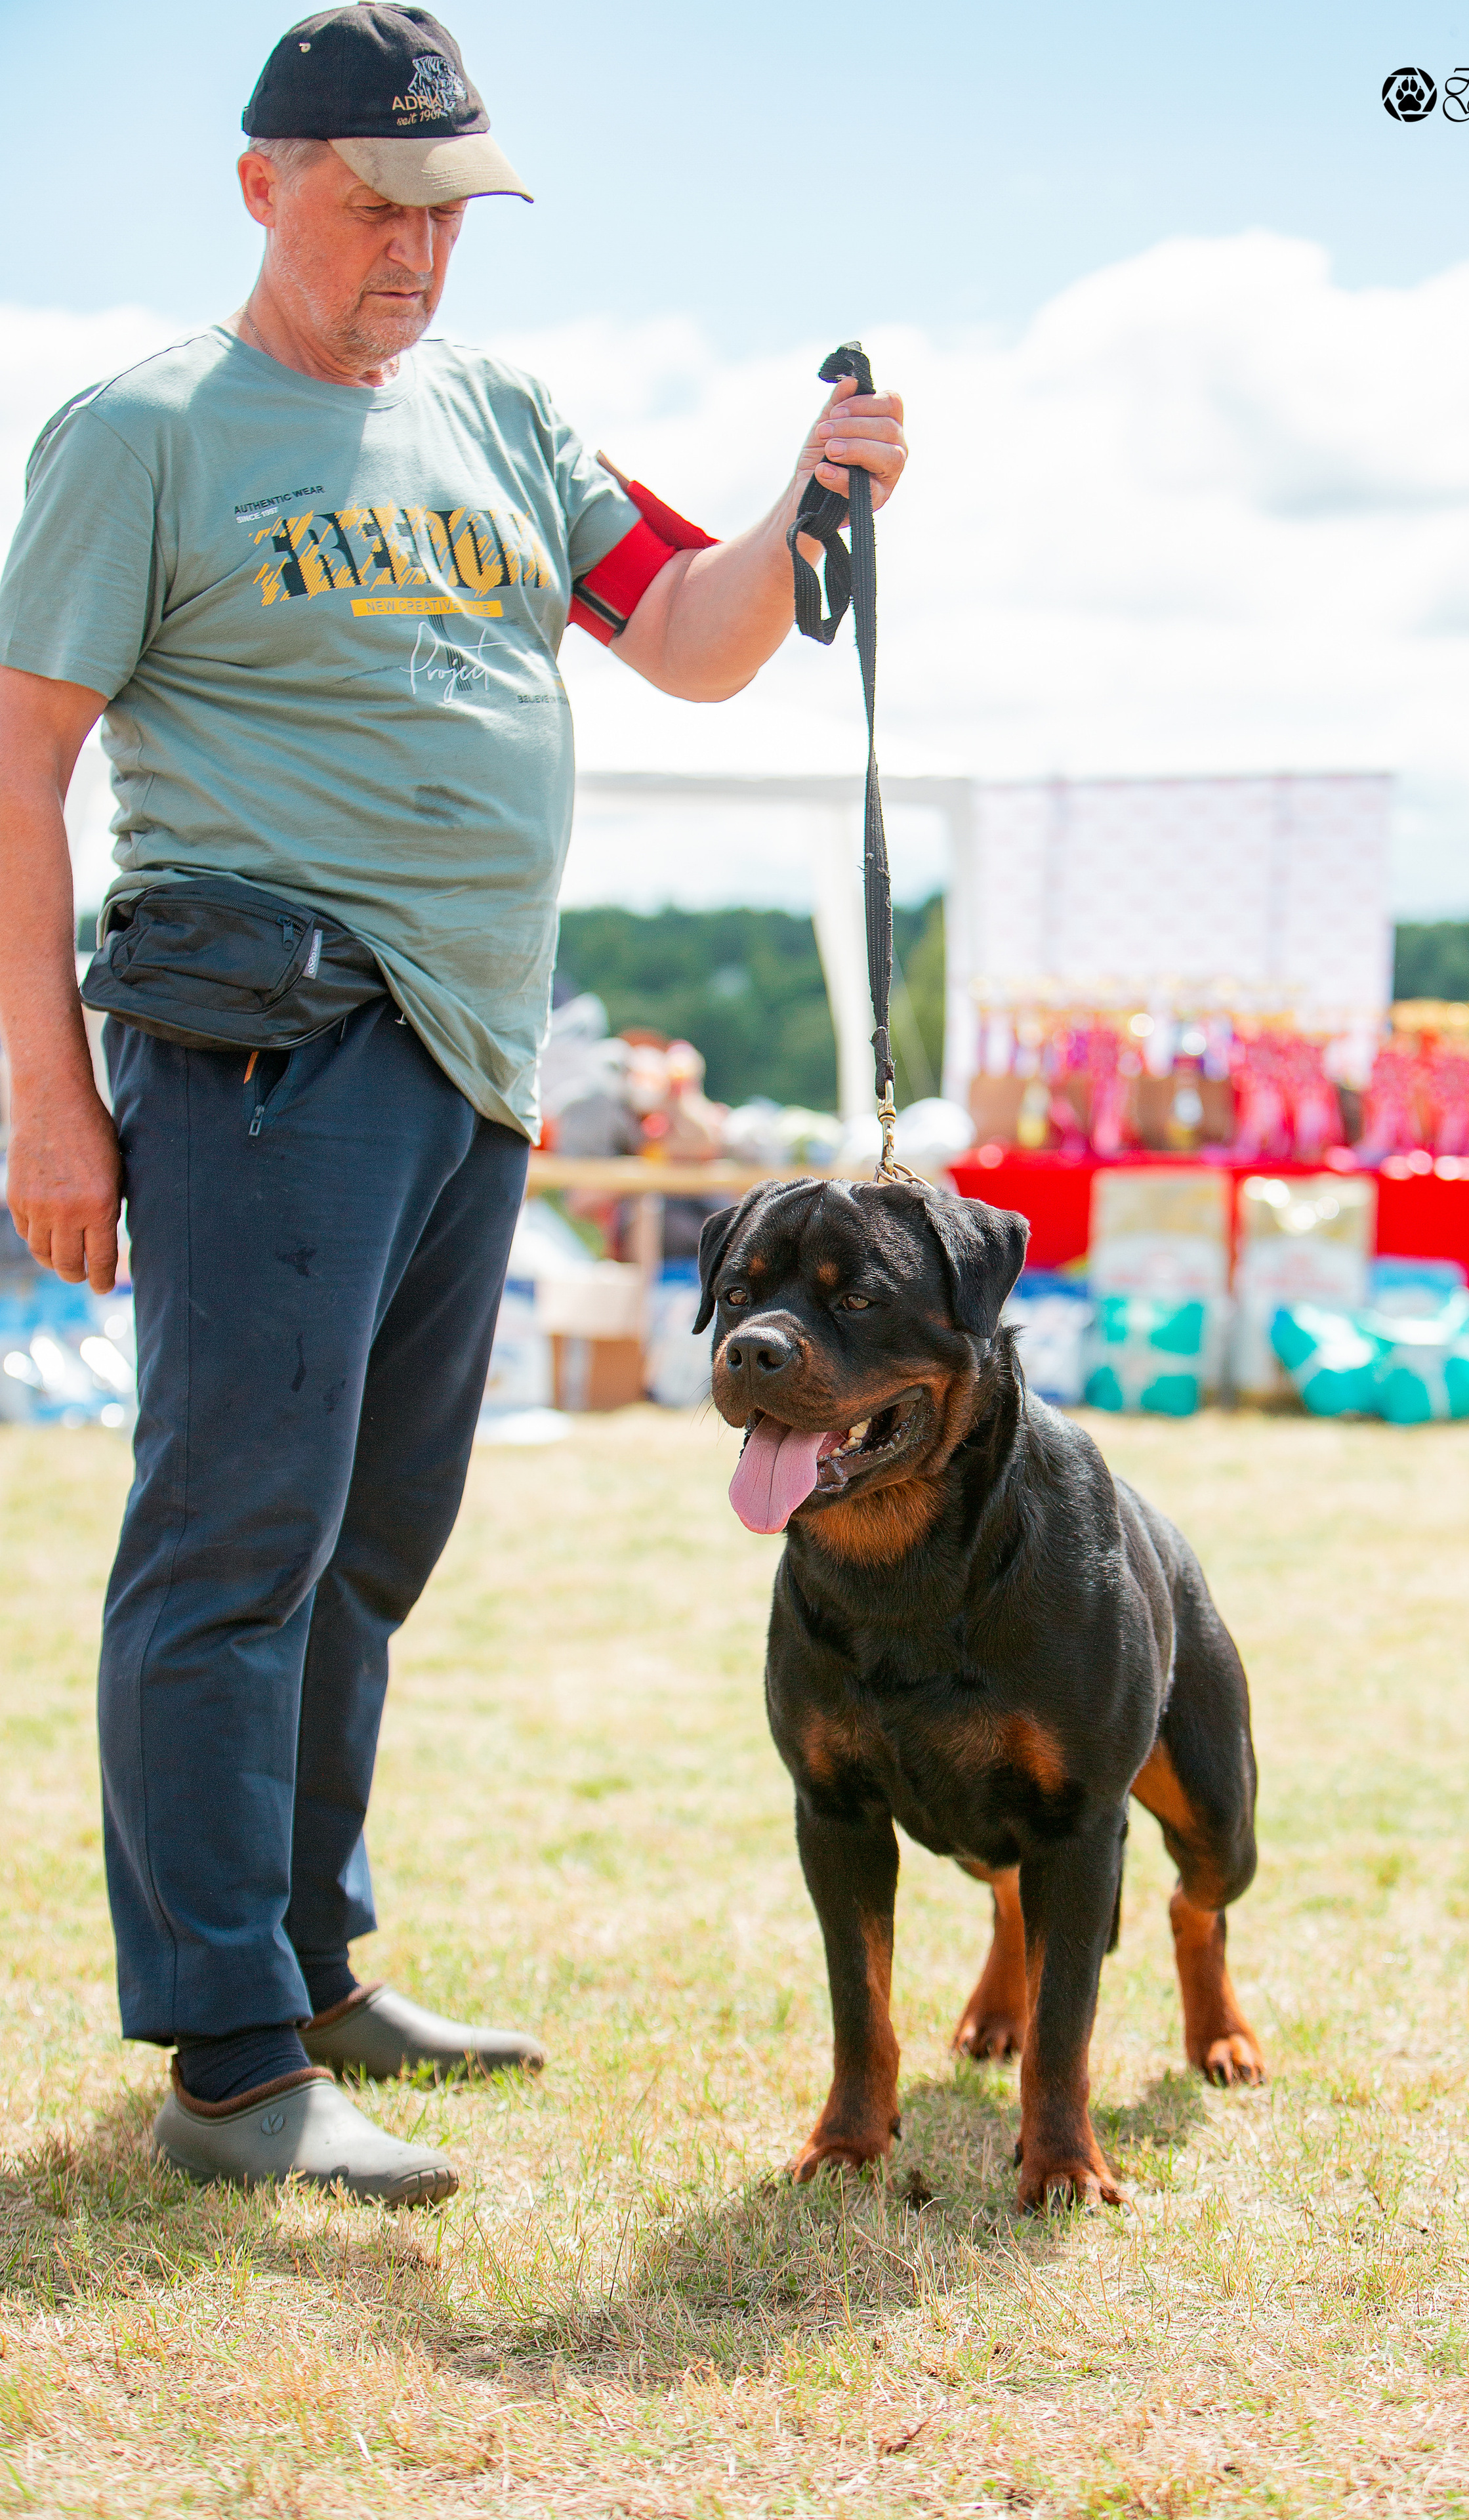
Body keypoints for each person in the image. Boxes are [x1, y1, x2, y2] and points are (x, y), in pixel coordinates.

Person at [0, 4, 907, 2204]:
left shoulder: (503, 413)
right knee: (233, 1542)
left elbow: (687, 636)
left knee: (369, 1548)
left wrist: (810, 503)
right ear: (261, 185)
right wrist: (46, 1101)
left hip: (474, 1056)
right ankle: (228, 2062)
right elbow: (20, 762)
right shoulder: (141, 434)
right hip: (261, 1048)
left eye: (450, 210)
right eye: (375, 202)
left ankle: (310, 1964)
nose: (417, 252)